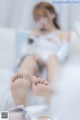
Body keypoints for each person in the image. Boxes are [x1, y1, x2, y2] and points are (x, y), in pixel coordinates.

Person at [10, 2, 70, 108]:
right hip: (35, 71)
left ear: (52, 14)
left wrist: (43, 60)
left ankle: (50, 91)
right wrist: (34, 54)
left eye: (43, 16)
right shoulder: (34, 34)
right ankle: (21, 93)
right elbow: (24, 52)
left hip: (52, 69)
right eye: (37, 18)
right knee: (29, 58)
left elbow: (62, 55)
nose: (41, 21)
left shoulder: (63, 34)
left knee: (53, 57)